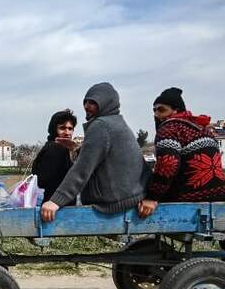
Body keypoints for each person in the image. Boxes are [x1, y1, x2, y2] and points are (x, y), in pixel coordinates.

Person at [136, 87, 225, 262]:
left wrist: (151, 197)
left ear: (176, 110)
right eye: (154, 110)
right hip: (219, 194)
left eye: (161, 109)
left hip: (191, 194)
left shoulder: (169, 128)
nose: (156, 114)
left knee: (143, 187)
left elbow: (168, 165)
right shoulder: (204, 129)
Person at [40, 82, 149, 223]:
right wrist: (78, 149)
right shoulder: (116, 122)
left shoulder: (101, 126)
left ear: (107, 104)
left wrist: (55, 201)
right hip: (132, 195)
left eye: (93, 102)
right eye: (86, 102)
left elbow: (82, 169)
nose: (86, 106)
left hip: (117, 202)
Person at [31, 109, 78, 202]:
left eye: (70, 128)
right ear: (54, 129)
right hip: (55, 207)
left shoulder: (57, 147)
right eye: (62, 128)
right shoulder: (56, 148)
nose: (67, 133)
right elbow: (44, 181)